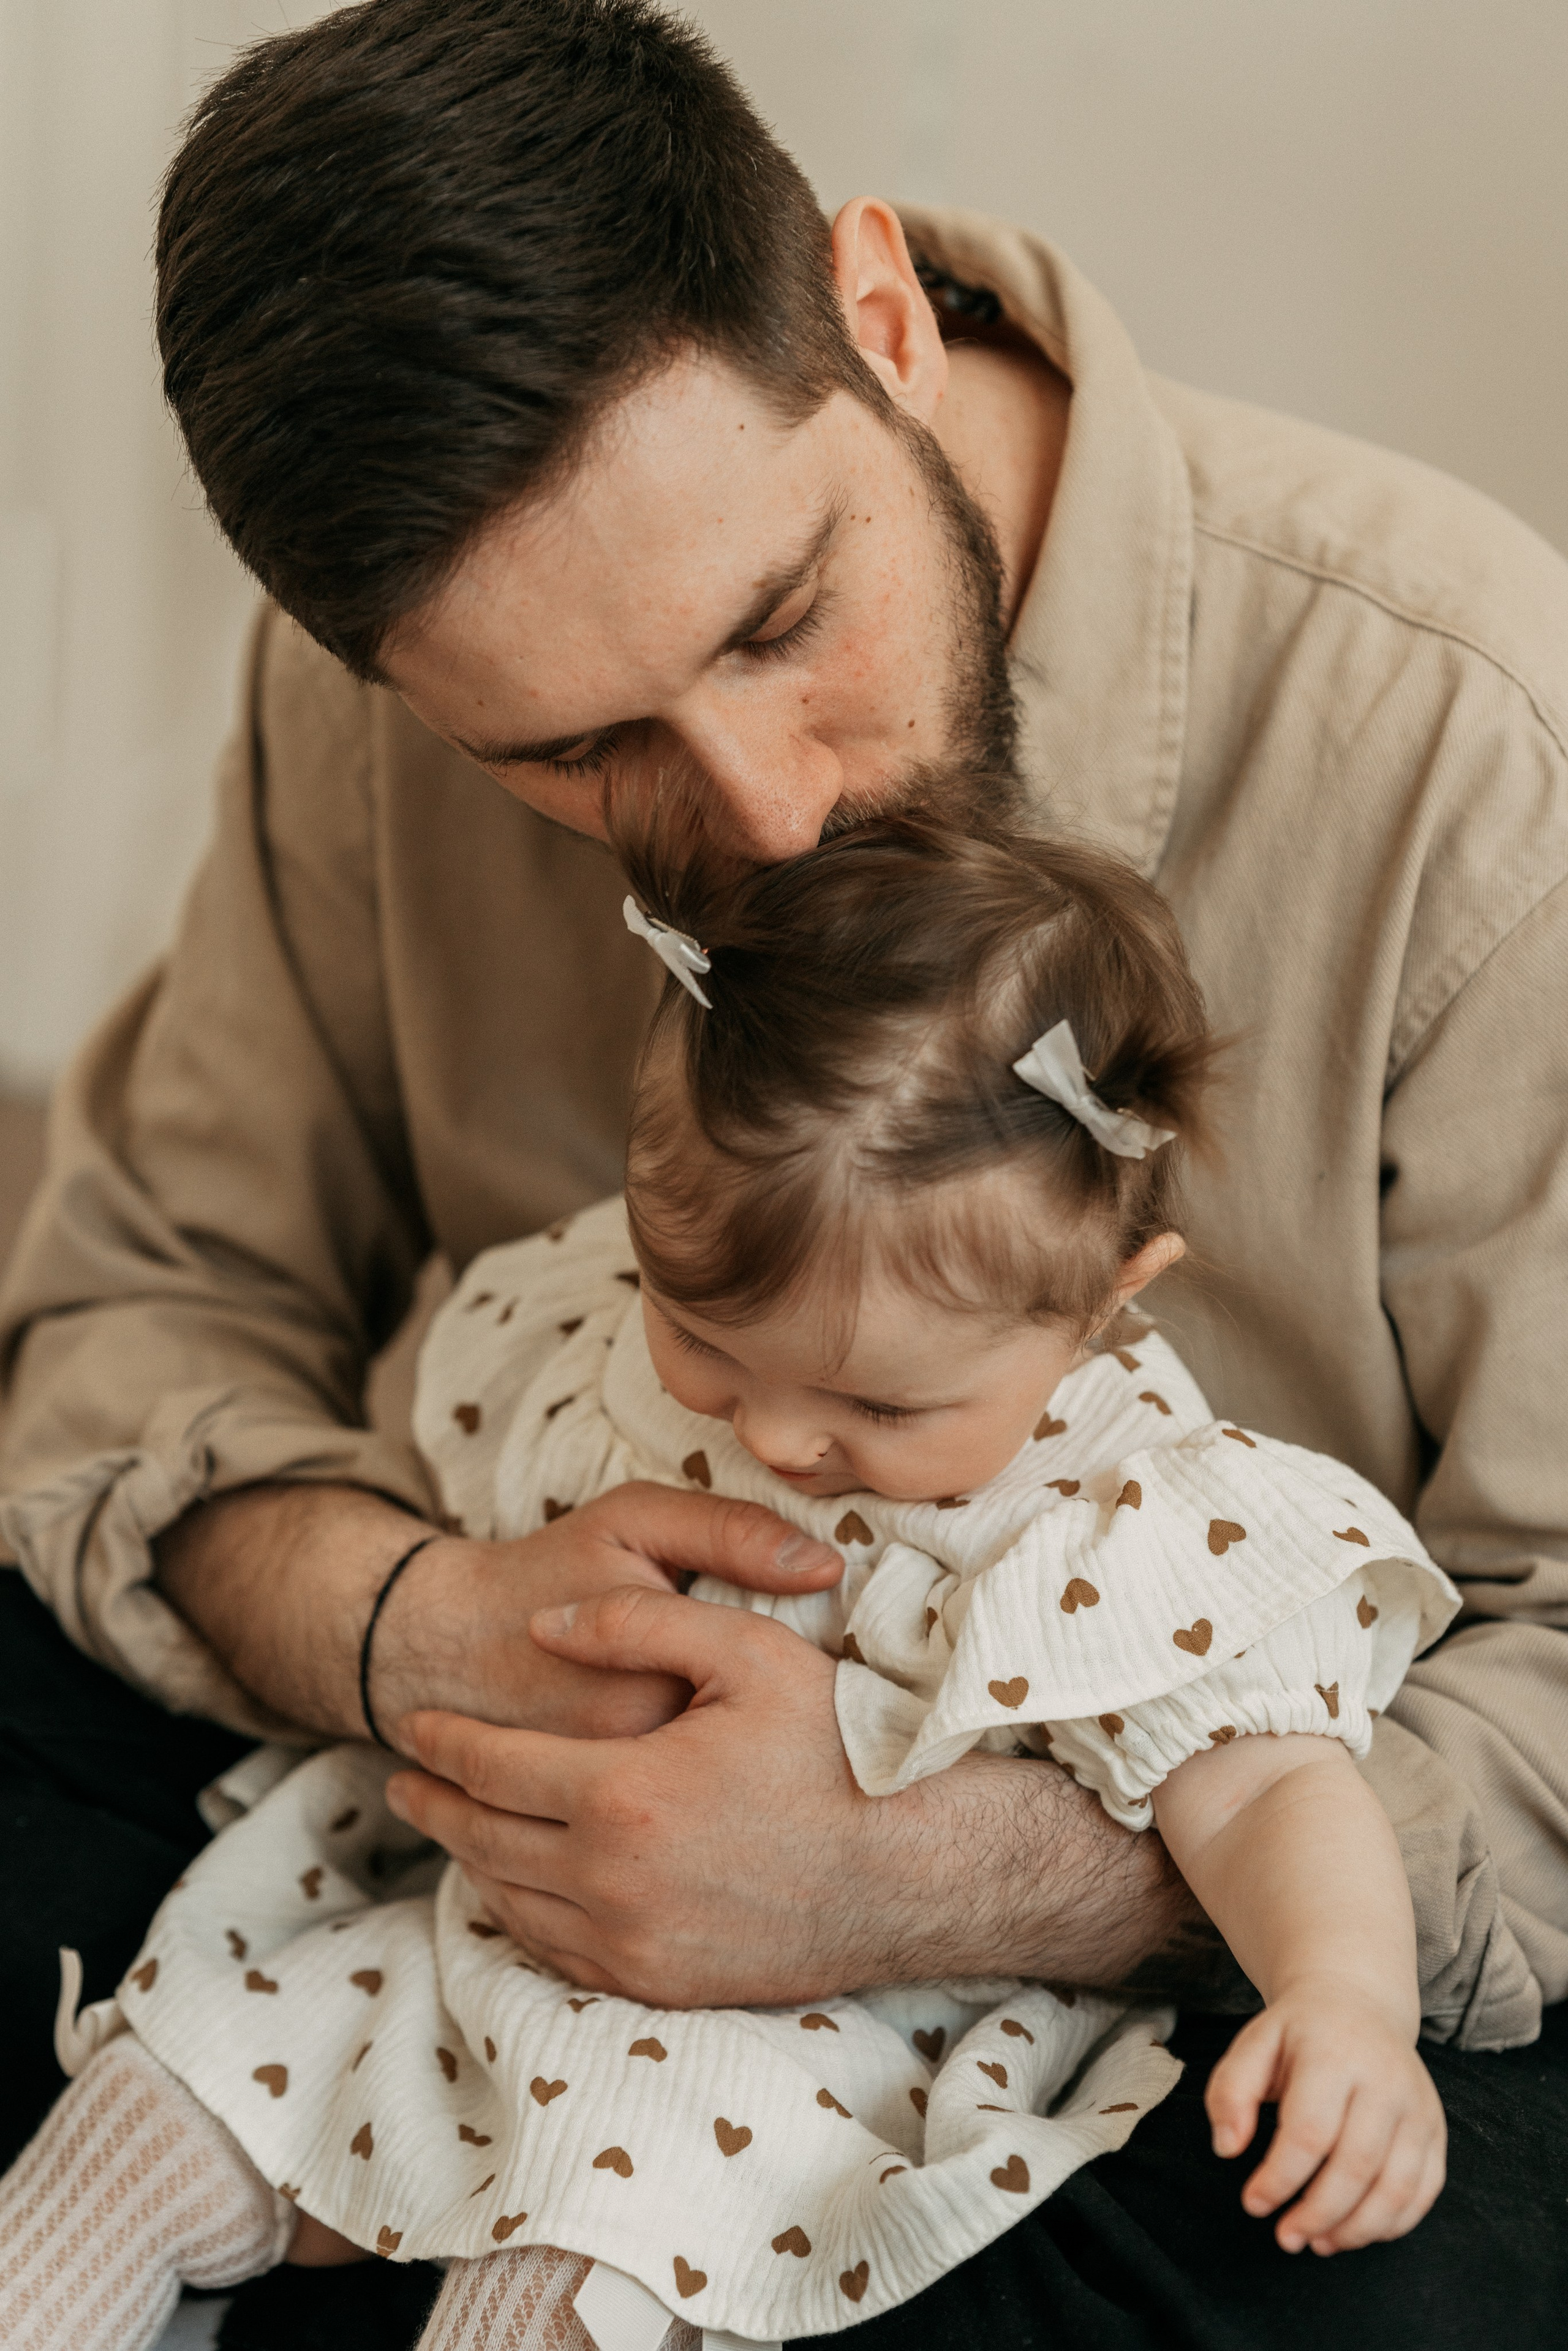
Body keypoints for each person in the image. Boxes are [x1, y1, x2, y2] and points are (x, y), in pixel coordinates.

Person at [0, 1, 1564, 2344]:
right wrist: (408, 1624)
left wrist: (942, 1872)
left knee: (1379, 2264)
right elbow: (141, 1318)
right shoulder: (373, 702)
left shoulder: (1465, 741)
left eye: (779, 618)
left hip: (1183, 1890)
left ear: (875, 315)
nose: (759, 810)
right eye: (574, 746)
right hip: (467, 1783)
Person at [1, 819, 1456, 2351]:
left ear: (1104, 1299)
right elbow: (456, 1518)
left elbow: (1265, 1792)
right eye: (700, 1335)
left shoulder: (1133, 1513)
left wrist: (1341, 1994)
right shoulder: (591, 1327)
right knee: (138, 2117)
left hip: (803, 2051)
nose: (769, 1435)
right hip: (465, 1927)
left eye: (879, 1409)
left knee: (569, 2272)